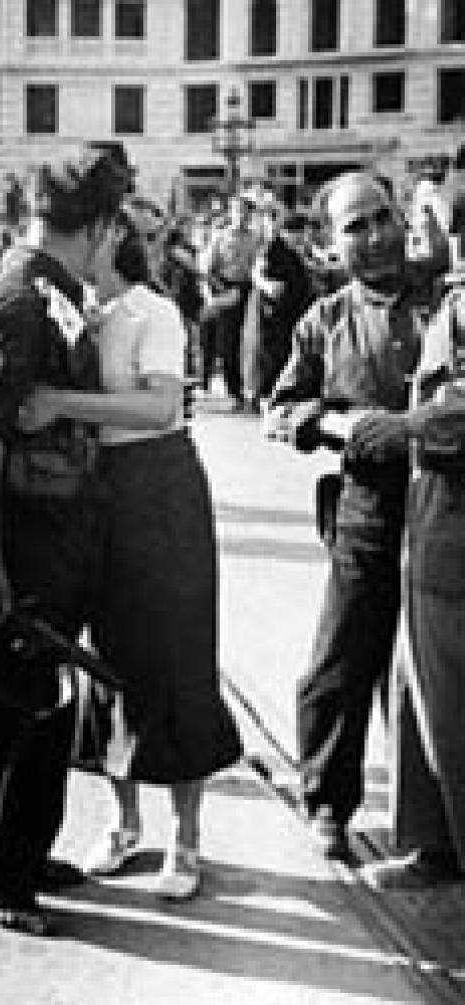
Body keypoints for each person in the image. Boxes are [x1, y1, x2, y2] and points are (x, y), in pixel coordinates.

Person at [18, 210, 242, 899]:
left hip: (160, 490)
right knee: (105, 659)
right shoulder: (79, 313)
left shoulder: (155, 312)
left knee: (174, 658)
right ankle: (123, 822)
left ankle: (186, 837)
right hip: (98, 489)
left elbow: (157, 409)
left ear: (110, 239)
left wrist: (60, 402)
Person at [0, 145, 130, 935]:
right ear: (99, 226)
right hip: (18, 538)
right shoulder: (16, 299)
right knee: (5, 706)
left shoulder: (54, 291)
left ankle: (25, 849)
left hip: (56, 534)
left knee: (45, 703)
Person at [263, 171, 441, 861]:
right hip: (367, 505)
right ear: (330, 245)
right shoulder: (326, 319)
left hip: (447, 505)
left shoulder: (445, 302)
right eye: (354, 227)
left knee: (437, 666)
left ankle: (438, 821)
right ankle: (329, 804)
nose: (374, 236)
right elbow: (281, 408)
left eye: (382, 217)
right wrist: (342, 426)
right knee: (342, 660)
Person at [356, 283, 465, 887]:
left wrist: (409, 424)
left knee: (447, 691)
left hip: (453, 511)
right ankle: (434, 845)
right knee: (420, 687)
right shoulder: (453, 298)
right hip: (434, 512)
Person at [242, 197, 313, 411]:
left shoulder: (295, 251)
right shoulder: (272, 248)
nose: (303, 237)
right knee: (271, 358)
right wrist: (268, 286)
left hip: (291, 314)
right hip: (273, 317)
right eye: (299, 233)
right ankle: (265, 398)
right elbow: (259, 274)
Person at [205, 193, 259, 407]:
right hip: (227, 288)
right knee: (229, 343)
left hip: (250, 290)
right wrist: (219, 292)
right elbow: (208, 270)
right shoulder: (220, 237)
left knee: (250, 343)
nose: (243, 216)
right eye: (239, 211)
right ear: (231, 212)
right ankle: (234, 391)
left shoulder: (256, 239)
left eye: (247, 212)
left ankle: (251, 389)